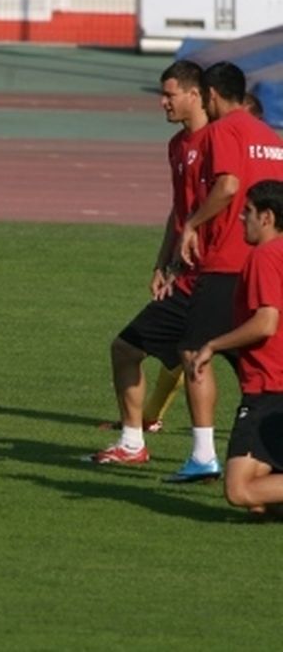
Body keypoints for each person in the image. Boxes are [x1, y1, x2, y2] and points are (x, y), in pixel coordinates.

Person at [168, 61, 283, 483]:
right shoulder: (269, 136)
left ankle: (203, 455)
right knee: (254, 352)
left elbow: (229, 185)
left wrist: (193, 225)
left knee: (195, 350)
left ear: (211, 96)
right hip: (270, 254)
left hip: (227, 259)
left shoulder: (222, 131)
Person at [92, 61, 208, 464]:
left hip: (213, 279)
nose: (162, 103)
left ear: (195, 94)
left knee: (208, 361)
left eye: (169, 95)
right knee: (128, 350)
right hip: (186, 277)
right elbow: (180, 211)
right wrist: (163, 263)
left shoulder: (216, 142)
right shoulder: (178, 146)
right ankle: (134, 443)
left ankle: (202, 455)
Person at [187, 180, 283, 514]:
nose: (241, 218)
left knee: (241, 491)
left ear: (267, 218)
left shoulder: (265, 257)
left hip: (270, 389)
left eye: (248, 212)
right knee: (262, 503)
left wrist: (213, 344)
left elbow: (265, 323)